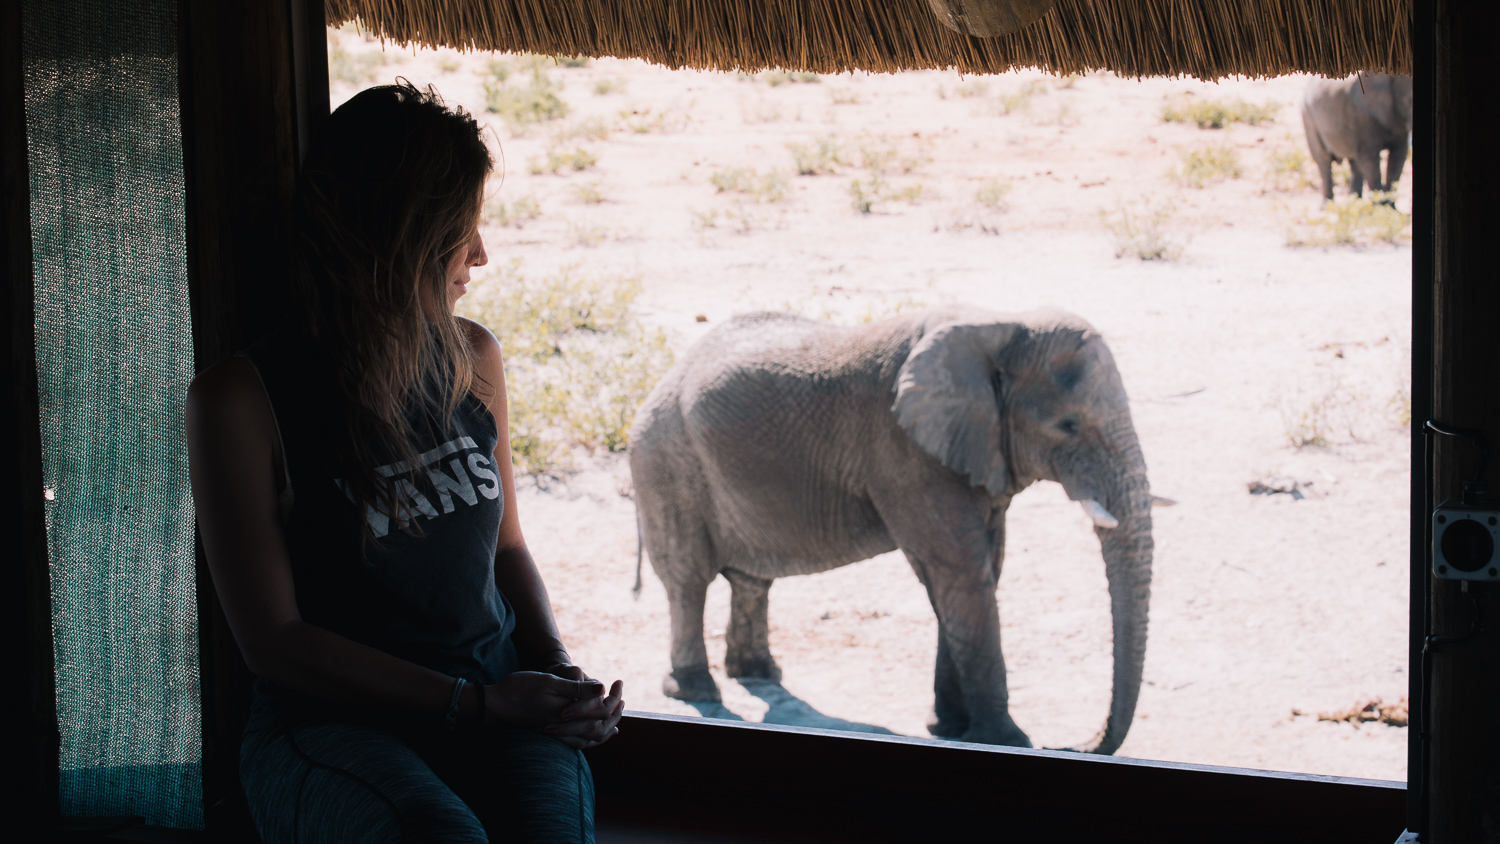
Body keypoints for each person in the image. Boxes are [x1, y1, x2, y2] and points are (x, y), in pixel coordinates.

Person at [187, 82, 623, 844]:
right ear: (400, 236)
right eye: (465, 230)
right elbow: (275, 642)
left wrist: (554, 670)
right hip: (332, 729)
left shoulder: (472, 358)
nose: (481, 256)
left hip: (497, 703)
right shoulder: (241, 401)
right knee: (435, 833)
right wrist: (473, 705)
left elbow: (507, 548)